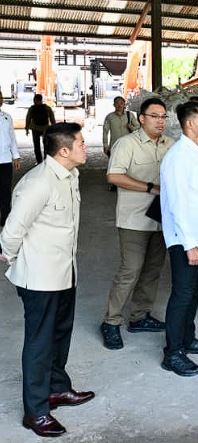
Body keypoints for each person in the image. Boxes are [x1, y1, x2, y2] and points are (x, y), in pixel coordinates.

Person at [0, 122, 94, 438]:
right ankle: (36, 412)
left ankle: (57, 389)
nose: (86, 147)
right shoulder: (38, 183)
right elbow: (11, 232)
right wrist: (14, 260)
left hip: (65, 272)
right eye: (81, 143)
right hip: (40, 279)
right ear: (64, 150)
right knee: (39, 345)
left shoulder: (70, 175)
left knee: (60, 335)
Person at [100, 97, 173, 350]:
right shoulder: (126, 144)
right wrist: (150, 187)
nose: (160, 121)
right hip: (134, 219)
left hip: (161, 218)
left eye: (163, 117)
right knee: (130, 269)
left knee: (153, 269)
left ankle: (140, 316)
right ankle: (111, 321)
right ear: (141, 119)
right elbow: (114, 176)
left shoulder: (171, 145)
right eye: (154, 116)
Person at [159, 101, 198, 377]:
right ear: (189, 123)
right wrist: (190, 244)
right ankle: (172, 353)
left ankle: (187, 338)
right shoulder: (178, 157)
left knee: (195, 291)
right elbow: (177, 204)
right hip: (185, 240)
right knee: (182, 294)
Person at [0, 91, 21, 226]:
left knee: (6, 190)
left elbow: (12, 138)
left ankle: (5, 217)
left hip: (6, 160)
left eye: (0, 98)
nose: (0, 100)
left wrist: (16, 156)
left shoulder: (7, 118)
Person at [24, 93, 56, 164]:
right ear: (41, 100)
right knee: (46, 146)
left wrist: (27, 128)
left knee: (36, 146)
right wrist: (54, 128)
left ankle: (39, 161)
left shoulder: (32, 108)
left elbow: (28, 119)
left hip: (35, 129)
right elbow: (52, 119)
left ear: (35, 100)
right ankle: (46, 160)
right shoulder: (47, 108)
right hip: (45, 129)